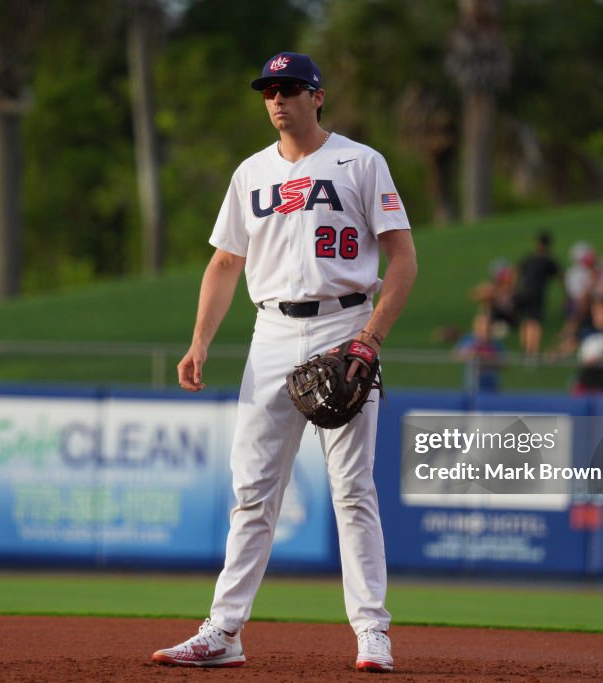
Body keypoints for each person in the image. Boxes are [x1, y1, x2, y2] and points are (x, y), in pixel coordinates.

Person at [151, 52, 417, 673]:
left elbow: (402, 260)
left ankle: (372, 632)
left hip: (345, 323)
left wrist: (370, 340)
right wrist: (199, 341)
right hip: (270, 332)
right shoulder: (250, 174)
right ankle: (224, 630)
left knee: (353, 489)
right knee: (252, 491)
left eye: (291, 87)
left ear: (317, 96)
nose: (278, 98)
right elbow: (224, 264)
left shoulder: (360, 162)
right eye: (270, 89)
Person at [513, 229, 561, 356]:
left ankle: (525, 349)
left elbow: (516, 272)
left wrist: (515, 288)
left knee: (525, 321)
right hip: (537, 294)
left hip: (523, 292)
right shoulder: (549, 261)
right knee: (535, 323)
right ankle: (532, 352)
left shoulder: (528, 258)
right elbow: (561, 277)